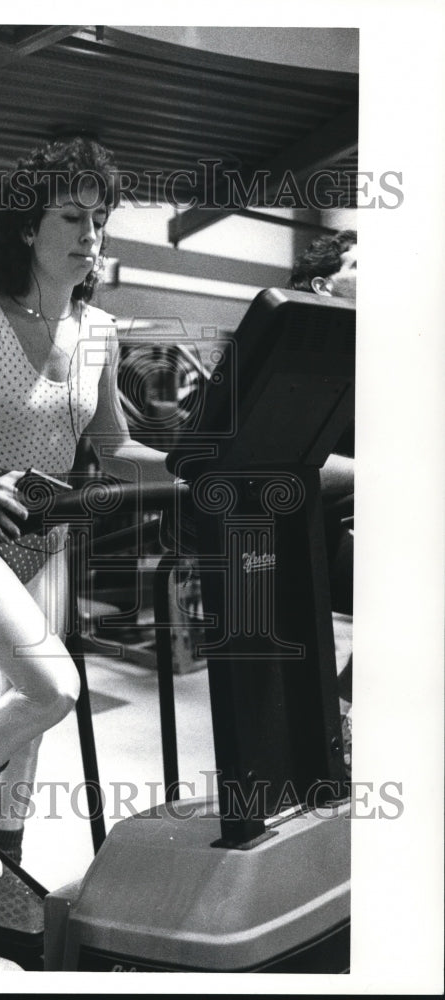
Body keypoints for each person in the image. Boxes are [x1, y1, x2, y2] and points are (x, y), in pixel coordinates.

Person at [0, 136, 175, 884]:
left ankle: (6, 852)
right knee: (52, 687)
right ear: (28, 229)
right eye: (71, 218)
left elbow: (113, 444)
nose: (89, 236)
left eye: (97, 221)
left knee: (27, 708)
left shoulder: (97, 331)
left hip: (46, 527)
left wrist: (198, 467)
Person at [289, 228, 357, 775]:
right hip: (305, 543)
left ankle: (342, 711)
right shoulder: (302, 356)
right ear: (325, 286)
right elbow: (290, 457)